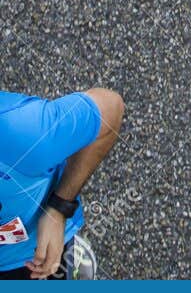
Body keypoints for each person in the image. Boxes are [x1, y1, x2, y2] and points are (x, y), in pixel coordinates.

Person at [0, 84, 123, 279]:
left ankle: (69, 263)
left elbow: (109, 109)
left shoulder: (24, 134)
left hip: (31, 254)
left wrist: (59, 208)